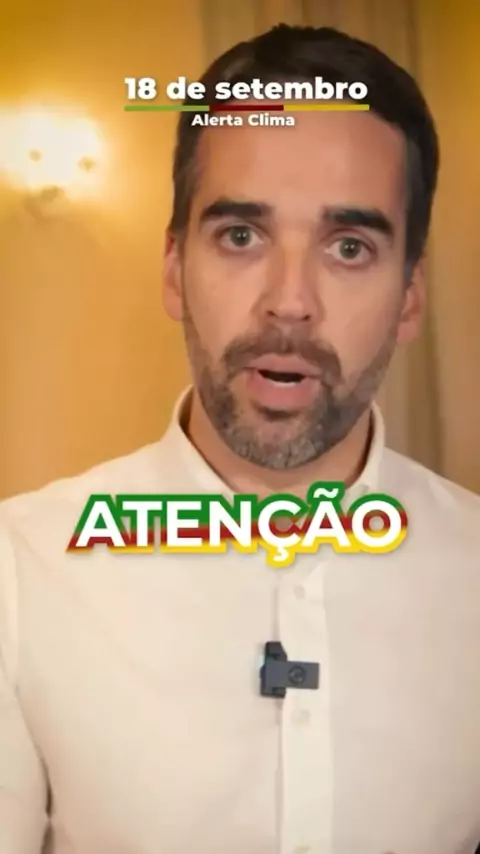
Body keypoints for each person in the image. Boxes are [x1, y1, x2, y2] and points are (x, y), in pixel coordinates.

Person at [1, 22, 479, 854]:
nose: (289, 302)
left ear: (410, 297)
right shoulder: (21, 570)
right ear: (173, 269)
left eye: (349, 246)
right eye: (241, 236)